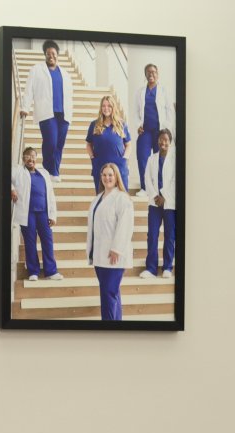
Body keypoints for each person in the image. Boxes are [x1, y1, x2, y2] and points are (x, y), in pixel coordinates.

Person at [19, 39, 73, 181]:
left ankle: (55, 171)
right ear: (45, 55)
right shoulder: (36, 70)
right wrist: (25, 107)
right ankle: (49, 169)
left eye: (54, 53)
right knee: (51, 141)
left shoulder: (65, 74)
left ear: (57, 55)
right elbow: (29, 89)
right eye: (48, 53)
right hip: (47, 113)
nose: (51, 56)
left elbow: (69, 95)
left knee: (59, 144)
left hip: (63, 114)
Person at [85, 163, 134, 321]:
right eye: (104, 175)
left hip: (114, 256)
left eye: (110, 175)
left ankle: (108, 327)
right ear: (101, 177)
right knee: (112, 293)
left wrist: (116, 249)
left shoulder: (122, 198)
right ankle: (117, 324)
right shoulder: (98, 198)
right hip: (99, 255)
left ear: (116, 177)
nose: (107, 178)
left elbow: (125, 225)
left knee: (108, 294)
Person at [11, 146, 62, 282]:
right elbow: (5, 177)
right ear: (23, 159)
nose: (30, 158)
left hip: (44, 212)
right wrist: (12, 189)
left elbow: (51, 195)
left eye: (33, 156)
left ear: (36, 158)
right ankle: (33, 271)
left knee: (47, 241)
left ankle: (51, 271)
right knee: (30, 242)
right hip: (27, 213)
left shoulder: (44, 173)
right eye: (27, 156)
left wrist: (53, 215)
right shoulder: (17, 171)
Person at [140, 129, 176, 280]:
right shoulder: (151, 159)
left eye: (166, 140)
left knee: (169, 235)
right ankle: (151, 268)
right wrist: (156, 195)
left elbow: (175, 181)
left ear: (170, 141)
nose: (163, 142)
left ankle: (167, 267)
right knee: (152, 235)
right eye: (161, 139)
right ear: (157, 141)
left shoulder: (175, 159)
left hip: (169, 203)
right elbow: (147, 178)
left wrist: (164, 196)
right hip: (154, 203)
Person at [133, 64, 174, 192]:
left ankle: (159, 188)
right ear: (145, 75)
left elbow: (170, 110)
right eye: (148, 72)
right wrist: (138, 125)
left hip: (159, 131)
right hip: (145, 131)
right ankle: (145, 188)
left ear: (158, 74)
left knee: (160, 158)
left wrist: (166, 128)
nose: (151, 74)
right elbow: (136, 111)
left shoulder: (163, 90)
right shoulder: (140, 92)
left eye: (154, 72)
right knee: (142, 158)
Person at [85, 95, 131, 192]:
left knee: (121, 197)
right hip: (100, 165)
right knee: (102, 198)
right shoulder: (94, 125)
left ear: (113, 107)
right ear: (101, 108)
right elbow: (89, 144)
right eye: (103, 106)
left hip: (119, 165)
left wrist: (124, 159)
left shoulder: (121, 124)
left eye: (109, 106)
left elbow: (128, 144)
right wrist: (93, 158)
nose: (106, 108)